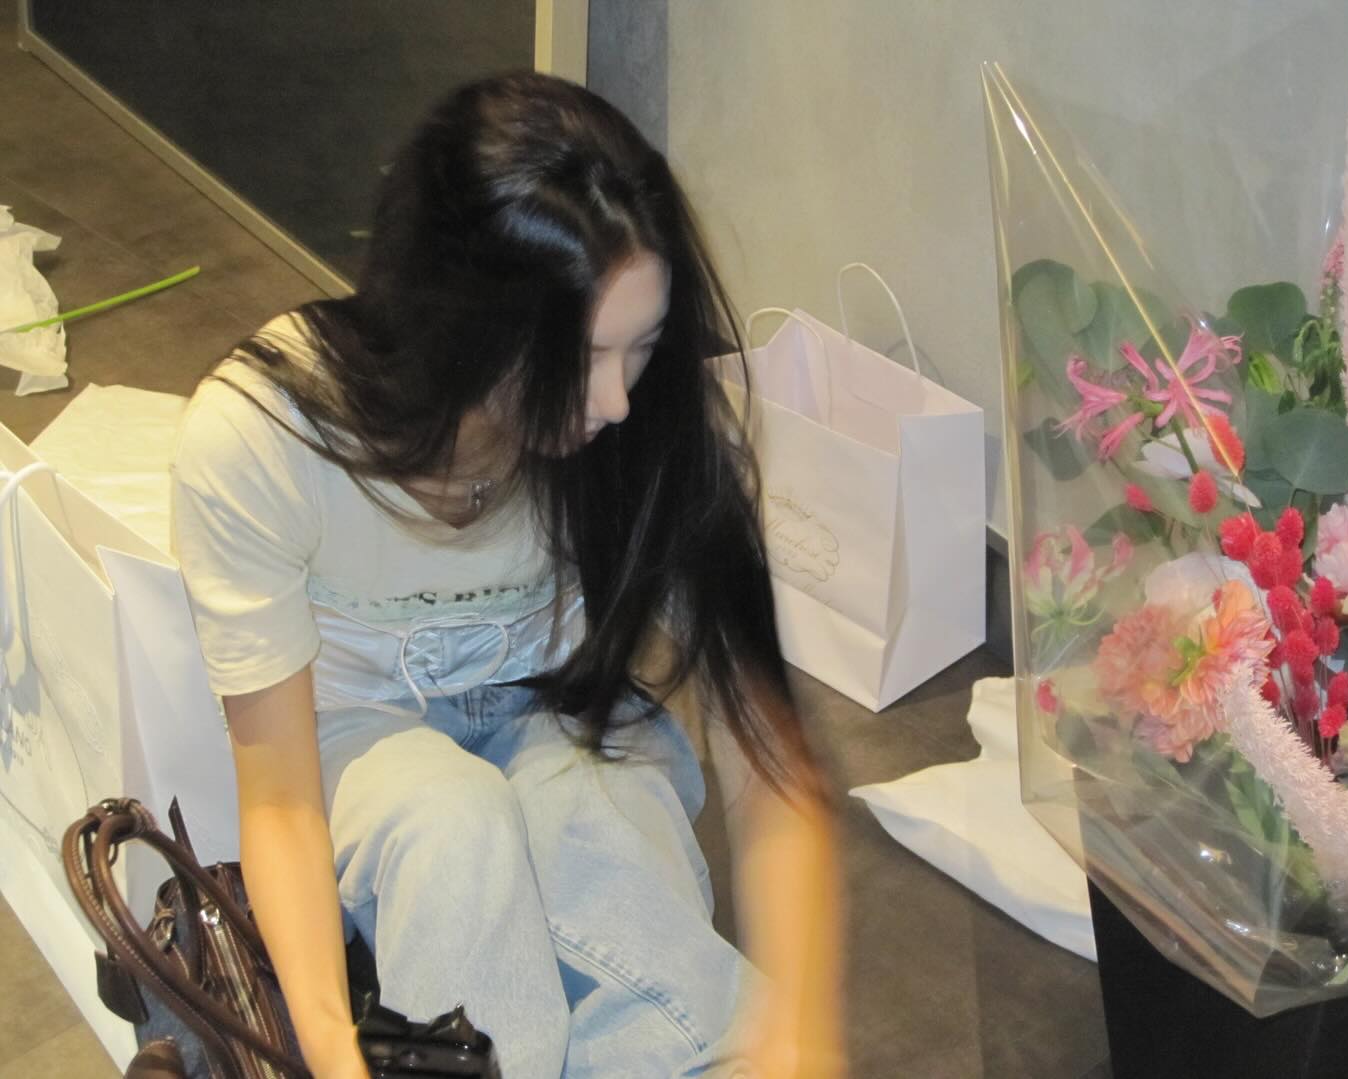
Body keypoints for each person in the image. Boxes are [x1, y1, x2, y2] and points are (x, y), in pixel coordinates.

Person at [171, 72, 844, 1079]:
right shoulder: (264, 438)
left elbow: (772, 762)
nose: (619, 399)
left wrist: (799, 1035)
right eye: (584, 356)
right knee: (451, 826)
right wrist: (334, 1056)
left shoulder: (653, 426)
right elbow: (280, 803)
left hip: (561, 705)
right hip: (359, 742)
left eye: (644, 346)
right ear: (465, 323)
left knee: (595, 816)